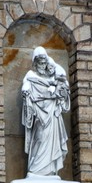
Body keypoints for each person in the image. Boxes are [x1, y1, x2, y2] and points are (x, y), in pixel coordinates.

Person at [22, 46, 70, 176]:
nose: (42, 66)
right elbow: (26, 90)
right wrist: (26, 91)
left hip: (53, 114)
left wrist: (61, 91)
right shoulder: (30, 76)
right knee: (40, 137)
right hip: (39, 114)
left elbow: (63, 92)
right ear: (35, 64)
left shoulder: (53, 77)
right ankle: (35, 169)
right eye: (40, 63)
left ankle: (50, 170)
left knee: (52, 141)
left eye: (44, 63)